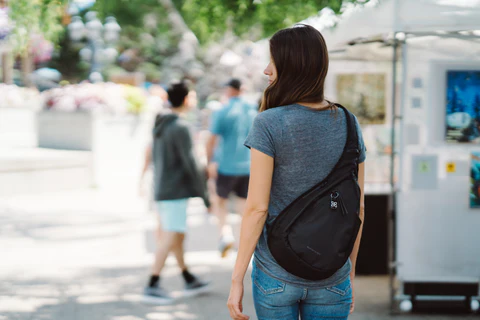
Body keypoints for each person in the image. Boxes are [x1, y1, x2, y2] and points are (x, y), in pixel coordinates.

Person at [227, 24, 366, 320]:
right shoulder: (349, 122)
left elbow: (256, 208)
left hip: (276, 274)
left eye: (273, 61)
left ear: (291, 65)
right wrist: (348, 271)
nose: (266, 70)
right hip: (333, 277)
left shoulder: (268, 123)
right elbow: (358, 207)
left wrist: (237, 277)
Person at [140, 80, 211, 304]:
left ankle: (188, 277)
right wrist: (205, 195)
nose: (194, 99)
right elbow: (191, 162)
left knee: (177, 235)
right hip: (174, 190)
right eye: (192, 95)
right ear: (185, 98)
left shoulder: (162, 122)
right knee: (170, 235)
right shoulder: (180, 126)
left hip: (163, 188)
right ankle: (152, 283)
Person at [205, 78, 257, 258]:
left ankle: (225, 234)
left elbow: (211, 140)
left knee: (220, 201)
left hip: (226, 166)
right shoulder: (253, 110)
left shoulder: (223, 110)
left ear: (229, 90)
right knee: (244, 205)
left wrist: (209, 161)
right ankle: (245, 242)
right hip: (249, 166)